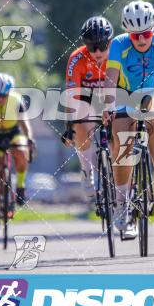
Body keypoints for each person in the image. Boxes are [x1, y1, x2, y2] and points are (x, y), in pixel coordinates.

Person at [101, 0, 154, 238]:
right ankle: (122, 205)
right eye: (135, 35)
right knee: (123, 141)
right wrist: (108, 106)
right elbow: (110, 79)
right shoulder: (118, 44)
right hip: (124, 93)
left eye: (146, 33)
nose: (141, 40)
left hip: (153, 90)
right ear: (128, 33)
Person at [61, 16, 113, 198]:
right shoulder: (77, 58)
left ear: (110, 42)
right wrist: (70, 127)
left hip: (114, 98)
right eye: (92, 47)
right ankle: (86, 172)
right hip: (88, 101)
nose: (97, 51)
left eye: (102, 46)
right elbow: (71, 95)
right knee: (80, 124)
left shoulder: (118, 54)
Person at [0, 73, 35, 236]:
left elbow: (25, 123)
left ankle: (21, 186)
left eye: (4, 95)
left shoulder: (16, 100)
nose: (1, 99)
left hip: (13, 132)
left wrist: (29, 139)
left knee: (22, 152)